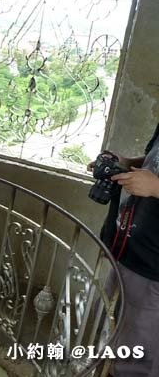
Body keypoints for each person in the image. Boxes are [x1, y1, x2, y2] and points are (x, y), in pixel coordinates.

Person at [95, 123, 159, 376]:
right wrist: (125, 164)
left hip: (154, 268)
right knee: (114, 333)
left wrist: (155, 187)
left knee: (140, 358)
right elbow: (152, 161)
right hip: (129, 245)